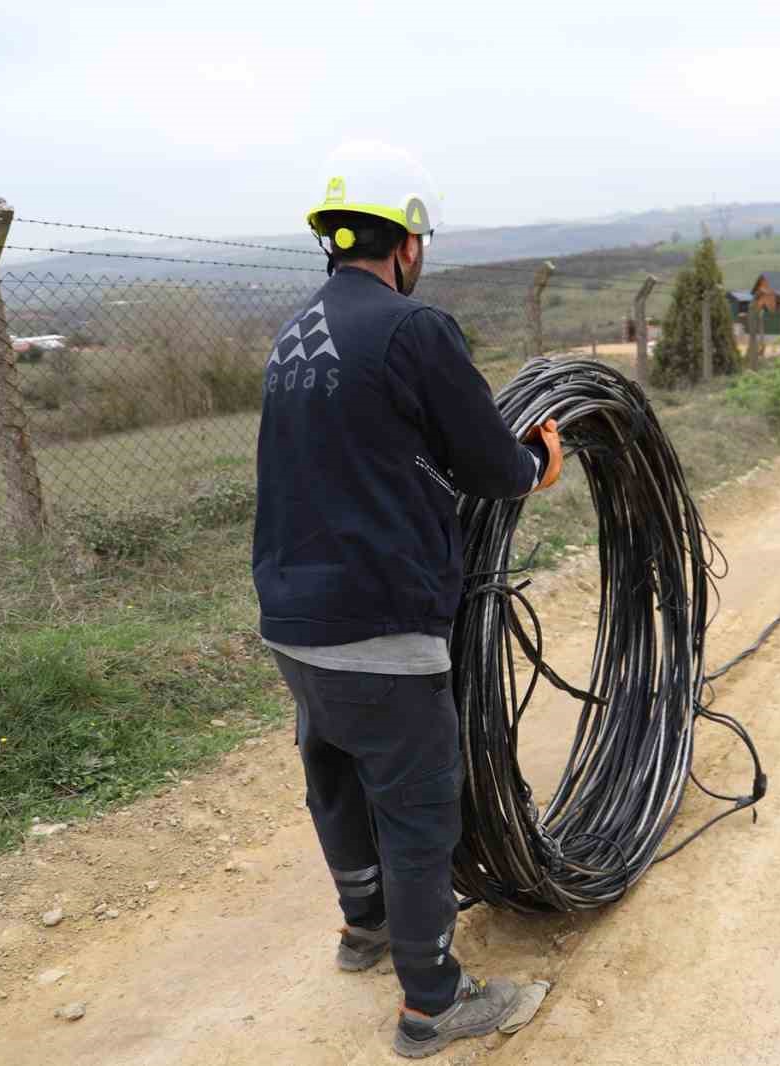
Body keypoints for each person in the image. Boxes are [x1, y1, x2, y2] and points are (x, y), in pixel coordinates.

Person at [252, 141, 563, 1059]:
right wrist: (537, 465)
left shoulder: (295, 331)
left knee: (333, 771)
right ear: (409, 244)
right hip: (379, 619)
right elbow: (488, 463)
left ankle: (365, 928)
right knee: (421, 805)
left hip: (290, 616)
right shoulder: (412, 329)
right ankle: (433, 1002)